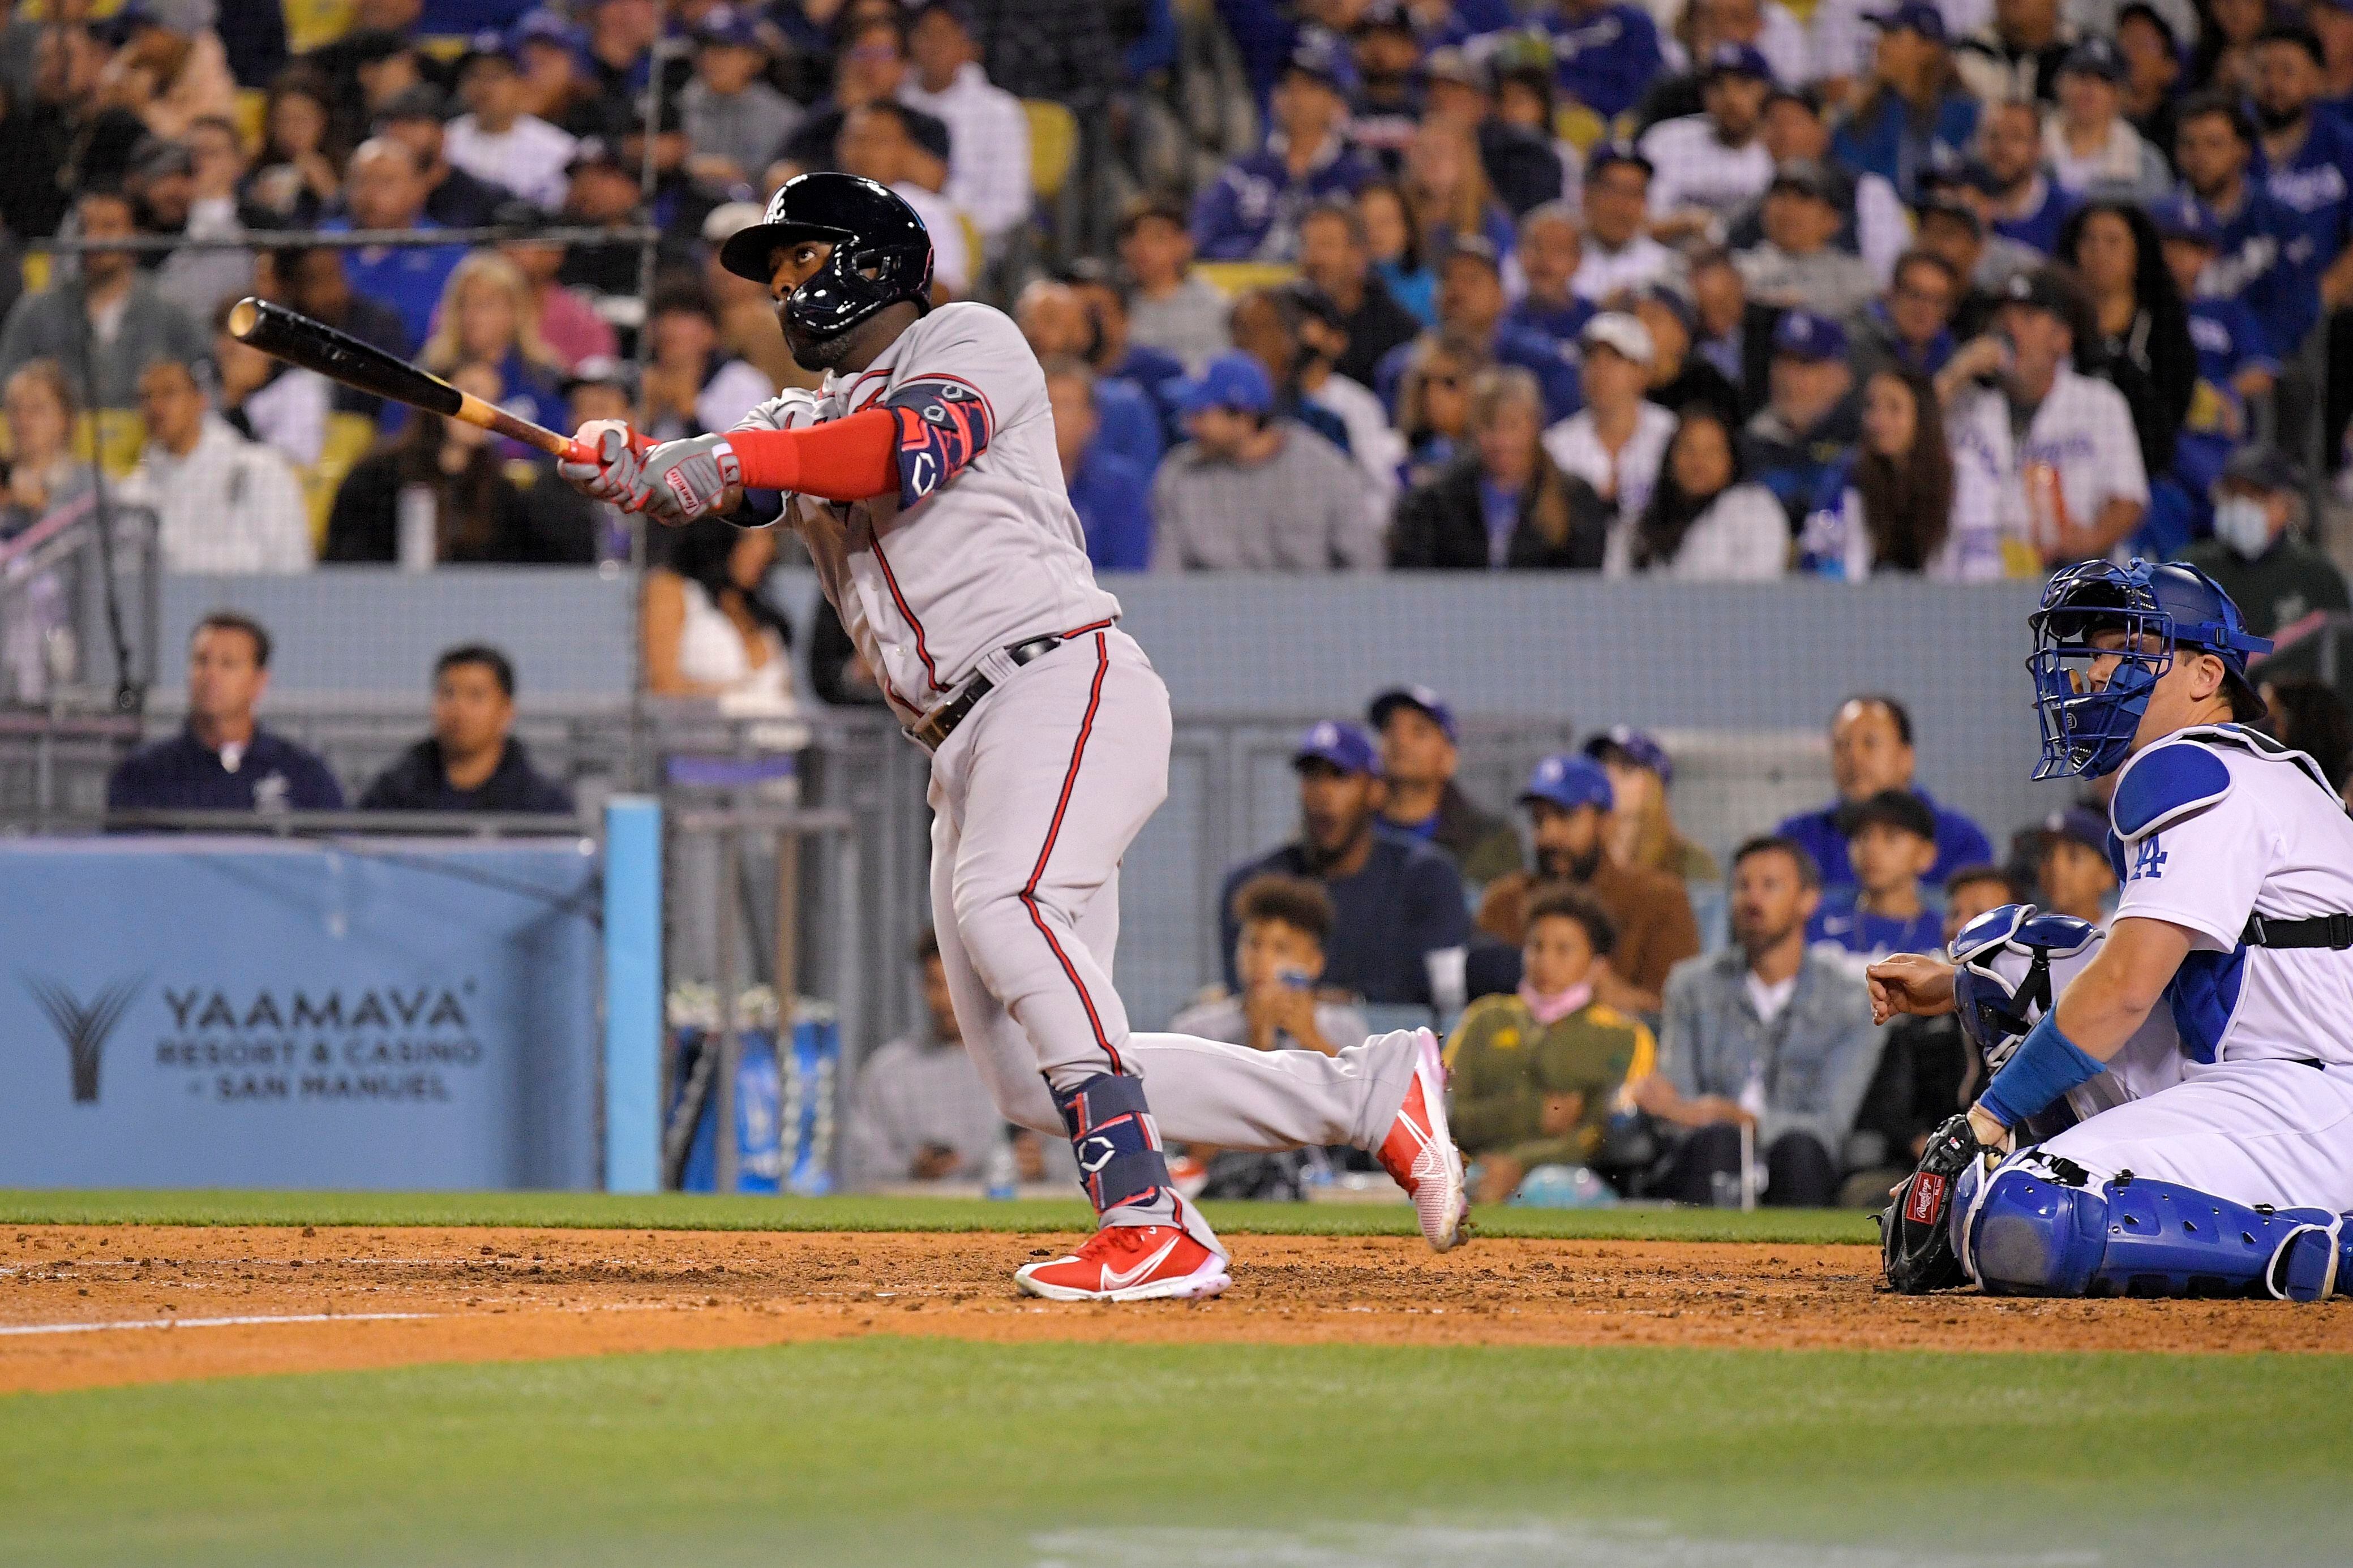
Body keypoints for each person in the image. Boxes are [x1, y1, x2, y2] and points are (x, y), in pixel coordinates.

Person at [561, 173, 1469, 1300]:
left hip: (1058, 682)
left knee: (1008, 904)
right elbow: (736, 476)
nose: (786, 286)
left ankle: (1150, 1217)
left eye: (802, 258)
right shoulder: (802, 416)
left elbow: (891, 451)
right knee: (1026, 1081)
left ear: (876, 257)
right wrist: (638, 462)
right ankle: (1368, 1094)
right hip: (961, 745)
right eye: (775, 271)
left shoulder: (973, 338)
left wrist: (733, 461)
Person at [1867, 559, 2353, 1303]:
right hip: (2260, 1076)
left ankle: (2327, 1252)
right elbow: (2134, 971)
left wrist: (1983, 1121)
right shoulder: (2235, 767)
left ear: (2203, 674)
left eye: (2126, 648)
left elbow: (2127, 988)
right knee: (2005, 957)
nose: (2097, 672)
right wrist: (1956, 983)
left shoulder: (2189, 769)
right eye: (2095, 650)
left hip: (2311, 1098)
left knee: (2026, 1211)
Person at [1633, 836, 1886, 1206]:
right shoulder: (1691, 985)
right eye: (1741, 886)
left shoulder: (1848, 1000)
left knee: (1799, 1150)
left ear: (1808, 899)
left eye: (1770, 886)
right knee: (1717, 1142)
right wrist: (1711, 1119)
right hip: (1705, 1156)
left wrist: (1740, 1119)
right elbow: (1676, 1103)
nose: (1752, 899)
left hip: (1802, 1165)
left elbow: (1829, 1123)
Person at [1217, 720, 1472, 1010]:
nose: (1323, 794)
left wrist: (1351, 1004)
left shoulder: (1427, 877)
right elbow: (1242, 991)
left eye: (1340, 777)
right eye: (1312, 777)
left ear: (1375, 791)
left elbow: (1442, 998)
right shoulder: (1253, 885)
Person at [1445, 886, 1658, 1205]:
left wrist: (1519, 1165)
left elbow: (1601, 1133)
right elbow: (1445, 1115)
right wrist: (1531, 1114)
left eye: (1563, 950)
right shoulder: (1484, 1019)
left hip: (1568, 1179)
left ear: (1597, 966)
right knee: (1431, 1190)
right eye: (1536, 946)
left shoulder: (1625, 1036)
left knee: (1546, 1190)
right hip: (1478, 1169)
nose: (1545, 962)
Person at [1937, 267, 2147, 566]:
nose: (2011, 328)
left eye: (2028, 318)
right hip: (1982, 578)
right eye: (2004, 317)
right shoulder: (1965, 401)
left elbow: (2128, 499)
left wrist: (2090, 539)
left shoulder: (2099, 402)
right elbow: (1908, 438)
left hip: (2077, 579)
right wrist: (1957, 372)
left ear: (2062, 339)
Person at [1479, 754, 1701, 1014]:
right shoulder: (1505, 901)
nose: (1549, 834)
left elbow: (1683, 1010)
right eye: (1539, 820)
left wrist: (1613, 997)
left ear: (1605, 823)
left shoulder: (1658, 898)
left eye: (1565, 817)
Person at [843, 930, 1061, 1191]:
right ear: (922, 988)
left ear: (984, 984)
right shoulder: (887, 1074)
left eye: (957, 985)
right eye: (936, 984)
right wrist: (913, 1171)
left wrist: (1045, 1166)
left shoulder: (1036, 1063)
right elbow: (859, 1166)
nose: (946, 1000)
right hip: (917, 1221)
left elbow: (1087, 1150)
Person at [1150, 352, 1378, 572]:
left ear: (1243, 418)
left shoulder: (1324, 469)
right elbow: (1168, 579)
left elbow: (1364, 568)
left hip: (1310, 607)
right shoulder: (1179, 474)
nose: (1190, 426)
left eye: (1200, 415)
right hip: (1215, 608)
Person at [106, 614, 343, 814]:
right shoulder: (145, 773)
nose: (211, 675)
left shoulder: (303, 773)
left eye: (228, 664)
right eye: (201, 661)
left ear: (259, 681)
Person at [324, 362, 555, 565]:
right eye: (473, 397)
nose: (483, 413)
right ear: (437, 400)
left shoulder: (500, 492)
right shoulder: (376, 477)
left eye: (493, 402)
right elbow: (346, 559)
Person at [0, 188, 207, 412]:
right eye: (85, 227)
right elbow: (6, 385)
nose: (92, 239)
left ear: (136, 236)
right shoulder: (36, 312)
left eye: (108, 226)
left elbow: (205, 382)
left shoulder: (171, 313)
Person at [1390, 364, 1606, 571]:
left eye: (1512, 425)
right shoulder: (1432, 504)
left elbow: (1582, 589)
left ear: (1535, 425)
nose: (1501, 441)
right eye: (1489, 426)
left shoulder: (1576, 500)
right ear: (1474, 429)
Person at [1775, 693, 1996, 892]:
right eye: (1842, 745)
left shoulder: (1961, 840)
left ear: (1905, 757)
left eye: (1870, 744)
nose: (1854, 758)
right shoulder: (1795, 840)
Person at [1801, 364, 2000, 580]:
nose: (1878, 420)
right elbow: (1817, 554)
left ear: (1923, 418)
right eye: (1872, 407)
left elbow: (1982, 572)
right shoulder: (1848, 473)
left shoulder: (1964, 475)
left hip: (1948, 606)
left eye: (1893, 408)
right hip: (1866, 608)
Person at [121, 359, 312, 575]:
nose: (155, 407)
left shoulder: (261, 470)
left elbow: (293, 564)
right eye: (146, 397)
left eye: (169, 393)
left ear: (200, 400)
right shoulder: (133, 493)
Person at [2170, 91, 2315, 375]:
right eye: (2189, 144)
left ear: (2242, 150)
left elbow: (2296, 309)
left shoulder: (2280, 221)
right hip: (2179, 362)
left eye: (2214, 144)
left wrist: (2252, 357)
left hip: (2261, 369)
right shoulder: (2160, 221)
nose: (2199, 157)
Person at [1192, 41, 1375, 263]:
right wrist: (1259, 252)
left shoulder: (1359, 177)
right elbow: (1204, 238)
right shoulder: (1242, 173)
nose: (1296, 96)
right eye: (1287, 86)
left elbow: (1376, 246)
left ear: (1336, 103)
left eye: (1310, 87)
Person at [2057, 199, 2195, 492]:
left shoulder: (2165, 326)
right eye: (2088, 241)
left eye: (2113, 242)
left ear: (2138, 253)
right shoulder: (2054, 323)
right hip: (2063, 467)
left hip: (2145, 474)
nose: (2099, 253)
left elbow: (2173, 415)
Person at [2154, 201, 2277, 518]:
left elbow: (2262, 372)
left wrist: (2220, 392)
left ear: (2209, 255)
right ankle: (2220, 500)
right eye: (2171, 244)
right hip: (2166, 429)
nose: (2180, 257)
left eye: (2193, 247)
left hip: (2218, 433)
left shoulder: (2226, 311)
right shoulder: (2145, 311)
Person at [1170, 874, 1372, 1059]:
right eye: (1253, 944)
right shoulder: (1196, 1033)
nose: (1261, 960)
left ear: (1314, 962)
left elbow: (1363, 1094)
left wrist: (1311, 1038)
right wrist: (1258, 1040)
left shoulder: (1346, 1029)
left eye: (1281, 949)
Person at [359, 645, 575, 815]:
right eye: (448, 694)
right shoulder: (394, 793)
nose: (458, 710)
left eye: (476, 696)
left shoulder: (542, 804)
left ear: (506, 710)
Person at [2179, 448, 2351, 640]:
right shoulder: (2192, 569)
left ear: (2286, 504)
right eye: (2233, 493)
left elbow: (2341, 653)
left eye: (2256, 495)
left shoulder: (2315, 573)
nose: (2242, 506)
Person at [898, 0, 1031, 247]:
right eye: (926, 34)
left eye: (945, 36)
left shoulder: (1000, 111)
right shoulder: (894, 100)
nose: (934, 47)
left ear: (969, 47)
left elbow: (1011, 205)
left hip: (970, 240)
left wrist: (946, 224)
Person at [1368, 685, 1522, 886]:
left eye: (1419, 731)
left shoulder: (1490, 841)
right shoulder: (1348, 833)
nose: (1400, 740)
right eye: (1390, 728)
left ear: (1448, 758)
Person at [1619, 401, 1787, 579]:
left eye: (1712, 451)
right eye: (1688, 450)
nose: (1699, 463)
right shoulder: (1643, 519)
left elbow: (1758, 587)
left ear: (1731, 459)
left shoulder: (1752, 506)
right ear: (1670, 459)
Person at [1544, 313, 1675, 539]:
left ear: (1642, 372)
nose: (1600, 371)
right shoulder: (1554, 446)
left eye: (1615, 359)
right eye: (1591, 359)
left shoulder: (1672, 435)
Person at [1832, 1, 1978, 205]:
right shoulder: (1862, 116)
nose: (1880, 44)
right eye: (1881, 34)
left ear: (1927, 48)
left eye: (1893, 34)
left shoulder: (1965, 114)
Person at [332, 137, 469, 353]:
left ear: (418, 188)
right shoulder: (324, 243)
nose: (370, 193)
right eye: (361, 181)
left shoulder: (447, 250)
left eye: (386, 182)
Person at [640, 513, 795, 702]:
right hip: (703, 729)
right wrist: (745, 701)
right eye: (750, 539)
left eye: (770, 539)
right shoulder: (672, 589)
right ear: (721, 536)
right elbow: (664, 686)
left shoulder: (760, 609)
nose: (765, 550)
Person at [420, 252, 569, 438]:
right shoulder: (431, 371)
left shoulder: (542, 376)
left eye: (484, 306)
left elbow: (559, 445)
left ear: (514, 312)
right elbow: (401, 438)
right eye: (464, 304)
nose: (471, 316)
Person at [1739, 308, 1859, 531]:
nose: (1790, 378)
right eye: (1784, 361)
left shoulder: (1861, 439)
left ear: (1842, 376)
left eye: (1806, 364)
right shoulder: (1748, 442)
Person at [1639, 45, 1776, 239]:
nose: (1730, 98)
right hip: (1665, 261)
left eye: (1743, 85)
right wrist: (1687, 224)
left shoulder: (1779, 150)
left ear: (1766, 91)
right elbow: (1633, 223)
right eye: (1718, 86)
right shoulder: (1667, 139)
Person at [1296, 199, 1423, 389]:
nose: (1314, 258)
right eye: (1308, 245)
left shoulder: (1397, 329)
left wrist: (1333, 354)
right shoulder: (1287, 313)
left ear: (1358, 256)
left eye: (1327, 246)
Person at [445, 31, 578, 213]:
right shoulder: (444, 141)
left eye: (495, 76)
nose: (483, 87)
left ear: (520, 82)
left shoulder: (558, 150)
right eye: (474, 75)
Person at [677, 7, 802, 201]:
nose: (711, 59)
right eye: (705, 49)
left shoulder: (782, 115)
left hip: (752, 209)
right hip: (686, 205)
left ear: (754, 58)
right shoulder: (678, 103)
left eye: (724, 50)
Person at [1043, 358, 1152, 574]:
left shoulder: (1121, 487)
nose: (1051, 418)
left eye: (1065, 406)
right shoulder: (1003, 484)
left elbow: (1130, 574)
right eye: (1046, 405)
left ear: (1091, 420)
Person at [1807, 788, 1946, 959]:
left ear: (1926, 854)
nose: (1872, 848)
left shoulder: (1947, 934)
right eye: (1863, 836)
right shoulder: (1814, 922)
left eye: (1891, 837)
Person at [1733, 161, 1878, 321]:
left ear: (1832, 219)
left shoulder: (1857, 277)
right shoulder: (1737, 270)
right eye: (1780, 195)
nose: (1789, 208)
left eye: (1804, 198)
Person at [2043, 37, 2169, 203]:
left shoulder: (2146, 162)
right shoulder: (2030, 149)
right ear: (2061, 84)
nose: (2090, 88)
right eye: (2082, 76)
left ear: (2121, 93)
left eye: (2103, 80)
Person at [1584, 727, 1717, 882]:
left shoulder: (1690, 861)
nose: (1609, 778)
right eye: (1602, 767)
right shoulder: (1582, 855)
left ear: (1655, 786)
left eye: (1626, 769)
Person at [375, 83, 513, 231]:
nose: (401, 135)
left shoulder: (485, 198)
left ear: (442, 134)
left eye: (413, 123)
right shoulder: (366, 196)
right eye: (392, 125)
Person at [1118, 196, 1231, 376]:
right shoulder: (1116, 304)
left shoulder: (1217, 307)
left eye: (1156, 238)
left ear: (1184, 244)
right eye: (1134, 238)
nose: (1142, 248)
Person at [1574, 143, 1683, 302]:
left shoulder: (1665, 267)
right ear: (1586, 196)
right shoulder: (1555, 258)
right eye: (1613, 191)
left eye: (1634, 193)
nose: (1622, 206)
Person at [1970, 97, 2073, 260]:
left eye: (2016, 137)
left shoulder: (2067, 213)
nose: (2002, 147)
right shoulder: (1962, 206)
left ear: (2038, 147)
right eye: (1993, 135)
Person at [1848, 250, 1963, 383]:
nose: (1926, 309)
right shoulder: (1859, 341)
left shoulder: (1946, 348)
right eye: (1916, 296)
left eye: (1938, 301)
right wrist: (1957, 374)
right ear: (1892, 294)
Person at [1357, 178, 1438, 324]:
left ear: (1408, 228)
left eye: (1385, 222)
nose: (1374, 233)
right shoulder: (1350, 287)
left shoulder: (1429, 292)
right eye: (1365, 224)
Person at [2033, 804, 2115, 924]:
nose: (2057, 867)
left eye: (2074, 856)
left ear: (2107, 875)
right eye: (2048, 855)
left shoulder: (2127, 935)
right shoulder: (2024, 936)